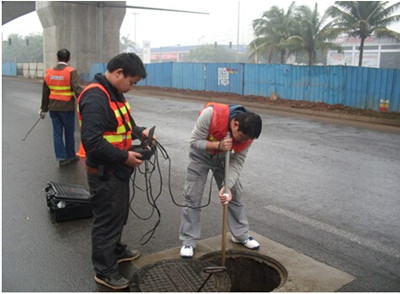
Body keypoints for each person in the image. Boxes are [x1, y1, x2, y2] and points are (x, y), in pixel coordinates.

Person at [77, 53, 150, 290]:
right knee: (106, 220)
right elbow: (92, 142)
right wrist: (124, 157)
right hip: (104, 170)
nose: (132, 87)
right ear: (119, 73)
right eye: (132, 82)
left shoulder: (115, 93)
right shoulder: (96, 97)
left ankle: (116, 250)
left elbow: (125, 124)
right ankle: (104, 270)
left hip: (118, 169)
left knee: (118, 213)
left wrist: (140, 133)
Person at [179, 102, 262, 258]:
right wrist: (218, 145)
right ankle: (189, 240)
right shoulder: (211, 114)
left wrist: (227, 186)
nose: (243, 141)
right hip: (201, 156)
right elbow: (194, 141)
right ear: (235, 124)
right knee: (192, 196)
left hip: (225, 160)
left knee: (235, 195)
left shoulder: (248, 136)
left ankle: (240, 235)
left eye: (247, 139)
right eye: (242, 137)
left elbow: (237, 162)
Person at [40, 48, 83, 166]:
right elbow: (77, 89)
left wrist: (44, 109)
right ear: (69, 58)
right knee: (69, 132)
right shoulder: (70, 71)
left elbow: (45, 92)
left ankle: (61, 157)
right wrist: (87, 99)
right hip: (67, 108)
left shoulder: (49, 72)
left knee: (57, 133)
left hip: (53, 108)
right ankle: (70, 155)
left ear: (57, 58)